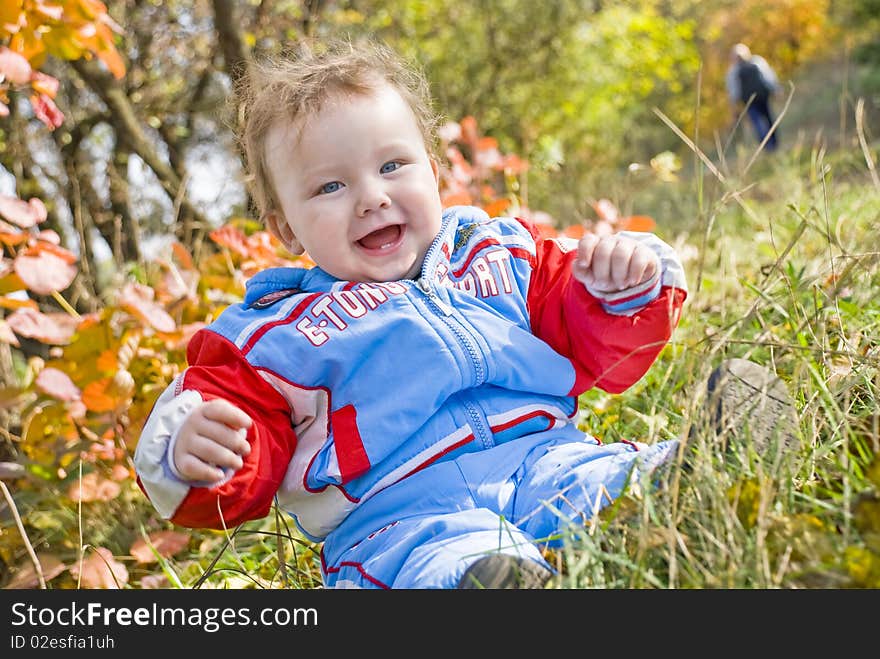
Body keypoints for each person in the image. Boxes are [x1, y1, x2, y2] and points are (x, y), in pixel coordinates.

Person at [132, 38, 693, 589]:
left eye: (393, 165)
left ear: (432, 172)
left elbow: (594, 343)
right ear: (284, 228)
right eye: (330, 185)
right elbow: (238, 429)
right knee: (433, 557)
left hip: (545, 457)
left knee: (599, 482)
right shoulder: (275, 338)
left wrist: (619, 287)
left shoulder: (501, 255)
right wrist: (194, 449)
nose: (371, 196)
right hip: (395, 515)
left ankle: (676, 481)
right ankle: (484, 580)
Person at [726, 43, 781, 151]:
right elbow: (768, 76)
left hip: (749, 101)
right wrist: (776, 89)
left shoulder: (733, 71)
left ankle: (768, 146)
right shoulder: (757, 61)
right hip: (763, 96)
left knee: (757, 122)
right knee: (769, 117)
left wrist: (734, 106)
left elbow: (733, 91)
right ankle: (774, 143)